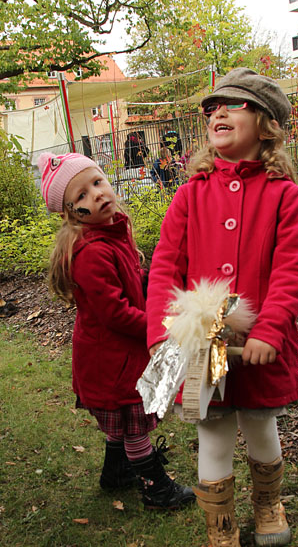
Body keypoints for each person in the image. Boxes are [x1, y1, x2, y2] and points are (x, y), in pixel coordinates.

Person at [146, 68, 298, 547]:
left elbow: (292, 268)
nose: (217, 111)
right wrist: (161, 334)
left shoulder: (284, 195)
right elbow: (165, 267)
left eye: (233, 105)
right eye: (212, 106)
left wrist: (270, 330)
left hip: (261, 346)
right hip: (199, 344)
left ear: (266, 125)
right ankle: (221, 533)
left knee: (262, 425)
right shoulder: (190, 195)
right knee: (213, 432)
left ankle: (268, 505)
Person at [38, 152, 194, 510]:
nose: (95, 194)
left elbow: (133, 279)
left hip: (116, 355)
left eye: (96, 182)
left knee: (123, 424)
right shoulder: (90, 252)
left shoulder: (114, 229)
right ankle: (156, 489)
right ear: (69, 213)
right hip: (111, 359)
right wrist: (158, 326)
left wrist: (159, 283)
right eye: (80, 196)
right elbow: (115, 313)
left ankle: (116, 473)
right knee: (133, 424)